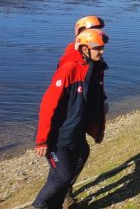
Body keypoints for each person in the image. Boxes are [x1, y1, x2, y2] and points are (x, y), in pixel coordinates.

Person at [33, 29, 108, 209]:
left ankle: (56, 205)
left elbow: (92, 103)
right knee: (63, 175)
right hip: (56, 138)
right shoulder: (69, 70)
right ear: (84, 49)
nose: (102, 51)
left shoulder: (92, 70)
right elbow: (47, 105)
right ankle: (37, 206)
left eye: (102, 47)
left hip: (75, 133)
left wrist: (98, 130)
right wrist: (41, 140)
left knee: (82, 155)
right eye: (97, 48)